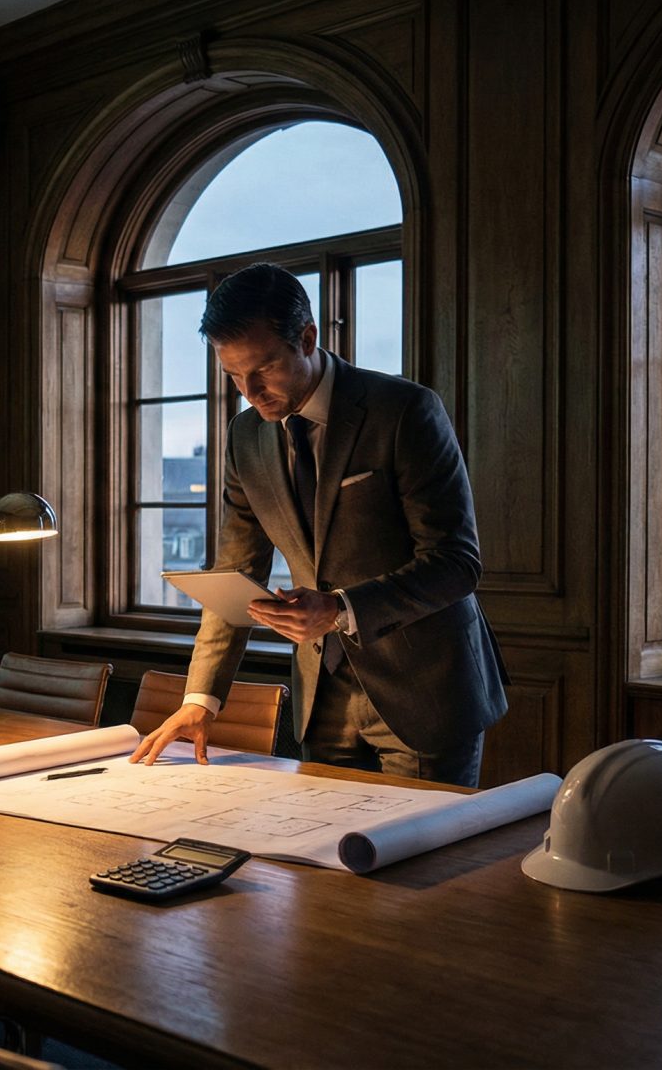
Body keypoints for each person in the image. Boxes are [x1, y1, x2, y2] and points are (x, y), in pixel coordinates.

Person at [130, 263, 507, 786]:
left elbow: (456, 563)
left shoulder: (404, 410)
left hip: (425, 691)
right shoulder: (245, 438)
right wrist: (201, 699)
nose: (249, 391)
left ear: (307, 339)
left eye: (263, 369)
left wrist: (339, 609)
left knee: (421, 842)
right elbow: (234, 576)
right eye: (233, 375)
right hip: (321, 698)